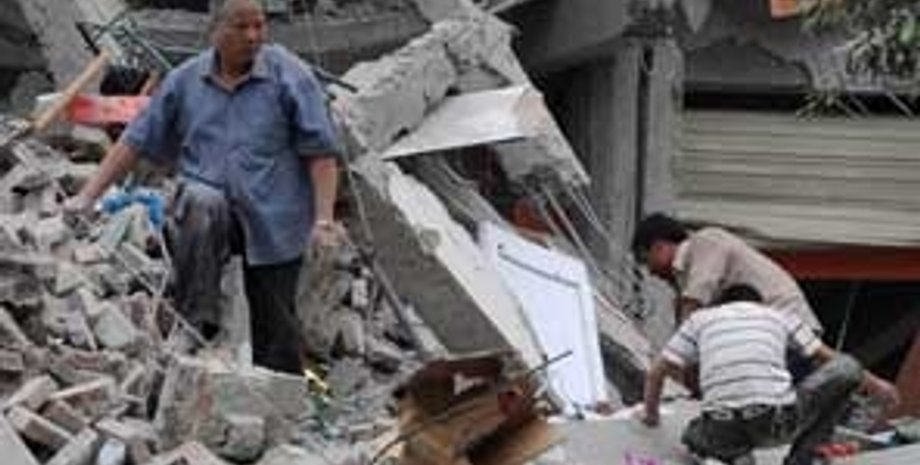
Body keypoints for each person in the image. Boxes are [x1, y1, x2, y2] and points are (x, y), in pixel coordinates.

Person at [66, 0, 342, 375]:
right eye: (241, 27)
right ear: (215, 31)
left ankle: (284, 388)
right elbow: (135, 140)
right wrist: (86, 197)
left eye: (259, 25)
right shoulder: (185, 81)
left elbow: (321, 152)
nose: (253, 36)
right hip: (209, 216)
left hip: (275, 219)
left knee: (277, 333)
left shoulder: (290, 76)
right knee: (200, 200)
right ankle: (197, 324)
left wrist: (323, 220)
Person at [641, 285, 900, 465]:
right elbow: (828, 358)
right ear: (759, 304)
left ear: (721, 305)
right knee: (849, 367)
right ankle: (801, 460)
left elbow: (655, 373)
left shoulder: (700, 319)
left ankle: (734, 455)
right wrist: (876, 384)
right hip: (776, 422)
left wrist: (651, 416)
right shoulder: (778, 315)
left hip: (722, 429)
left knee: (692, 434)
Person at [631, 213, 822, 333]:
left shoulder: (706, 241)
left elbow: (695, 303)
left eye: (646, 260)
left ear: (659, 247)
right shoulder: (685, 277)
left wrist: (673, 361)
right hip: (774, 334)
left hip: (790, 329)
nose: (650, 272)